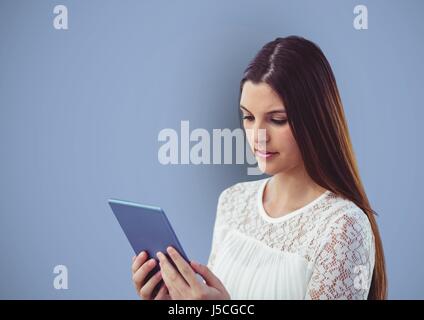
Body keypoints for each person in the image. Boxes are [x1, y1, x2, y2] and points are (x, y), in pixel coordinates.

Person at [131, 36, 387, 300]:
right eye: (249, 117)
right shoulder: (232, 201)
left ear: (315, 119)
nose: (258, 136)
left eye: (277, 120)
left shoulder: (343, 226)